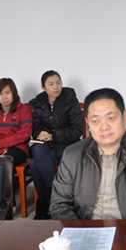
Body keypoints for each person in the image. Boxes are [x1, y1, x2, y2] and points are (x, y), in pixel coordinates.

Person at [50, 88, 126, 220]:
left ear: (124, 117)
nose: (104, 127)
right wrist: (80, 230)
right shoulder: (72, 155)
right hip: (85, 228)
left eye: (111, 118)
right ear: (88, 123)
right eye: (95, 120)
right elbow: (60, 205)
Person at [29, 70, 84, 219]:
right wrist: (42, 135)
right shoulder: (39, 102)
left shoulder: (69, 99)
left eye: (58, 82)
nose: (56, 87)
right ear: (43, 87)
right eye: (51, 84)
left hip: (67, 146)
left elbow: (77, 130)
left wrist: (53, 136)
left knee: (34, 164)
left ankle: (44, 205)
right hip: (47, 147)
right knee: (37, 150)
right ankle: (54, 199)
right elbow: (35, 128)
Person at [0, 78, 32, 167]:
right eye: (0, 94)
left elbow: (24, 134)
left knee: (3, 162)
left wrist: (0, 144)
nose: (4, 97)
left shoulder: (24, 110)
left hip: (17, 148)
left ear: (14, 93)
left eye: (7, 93)